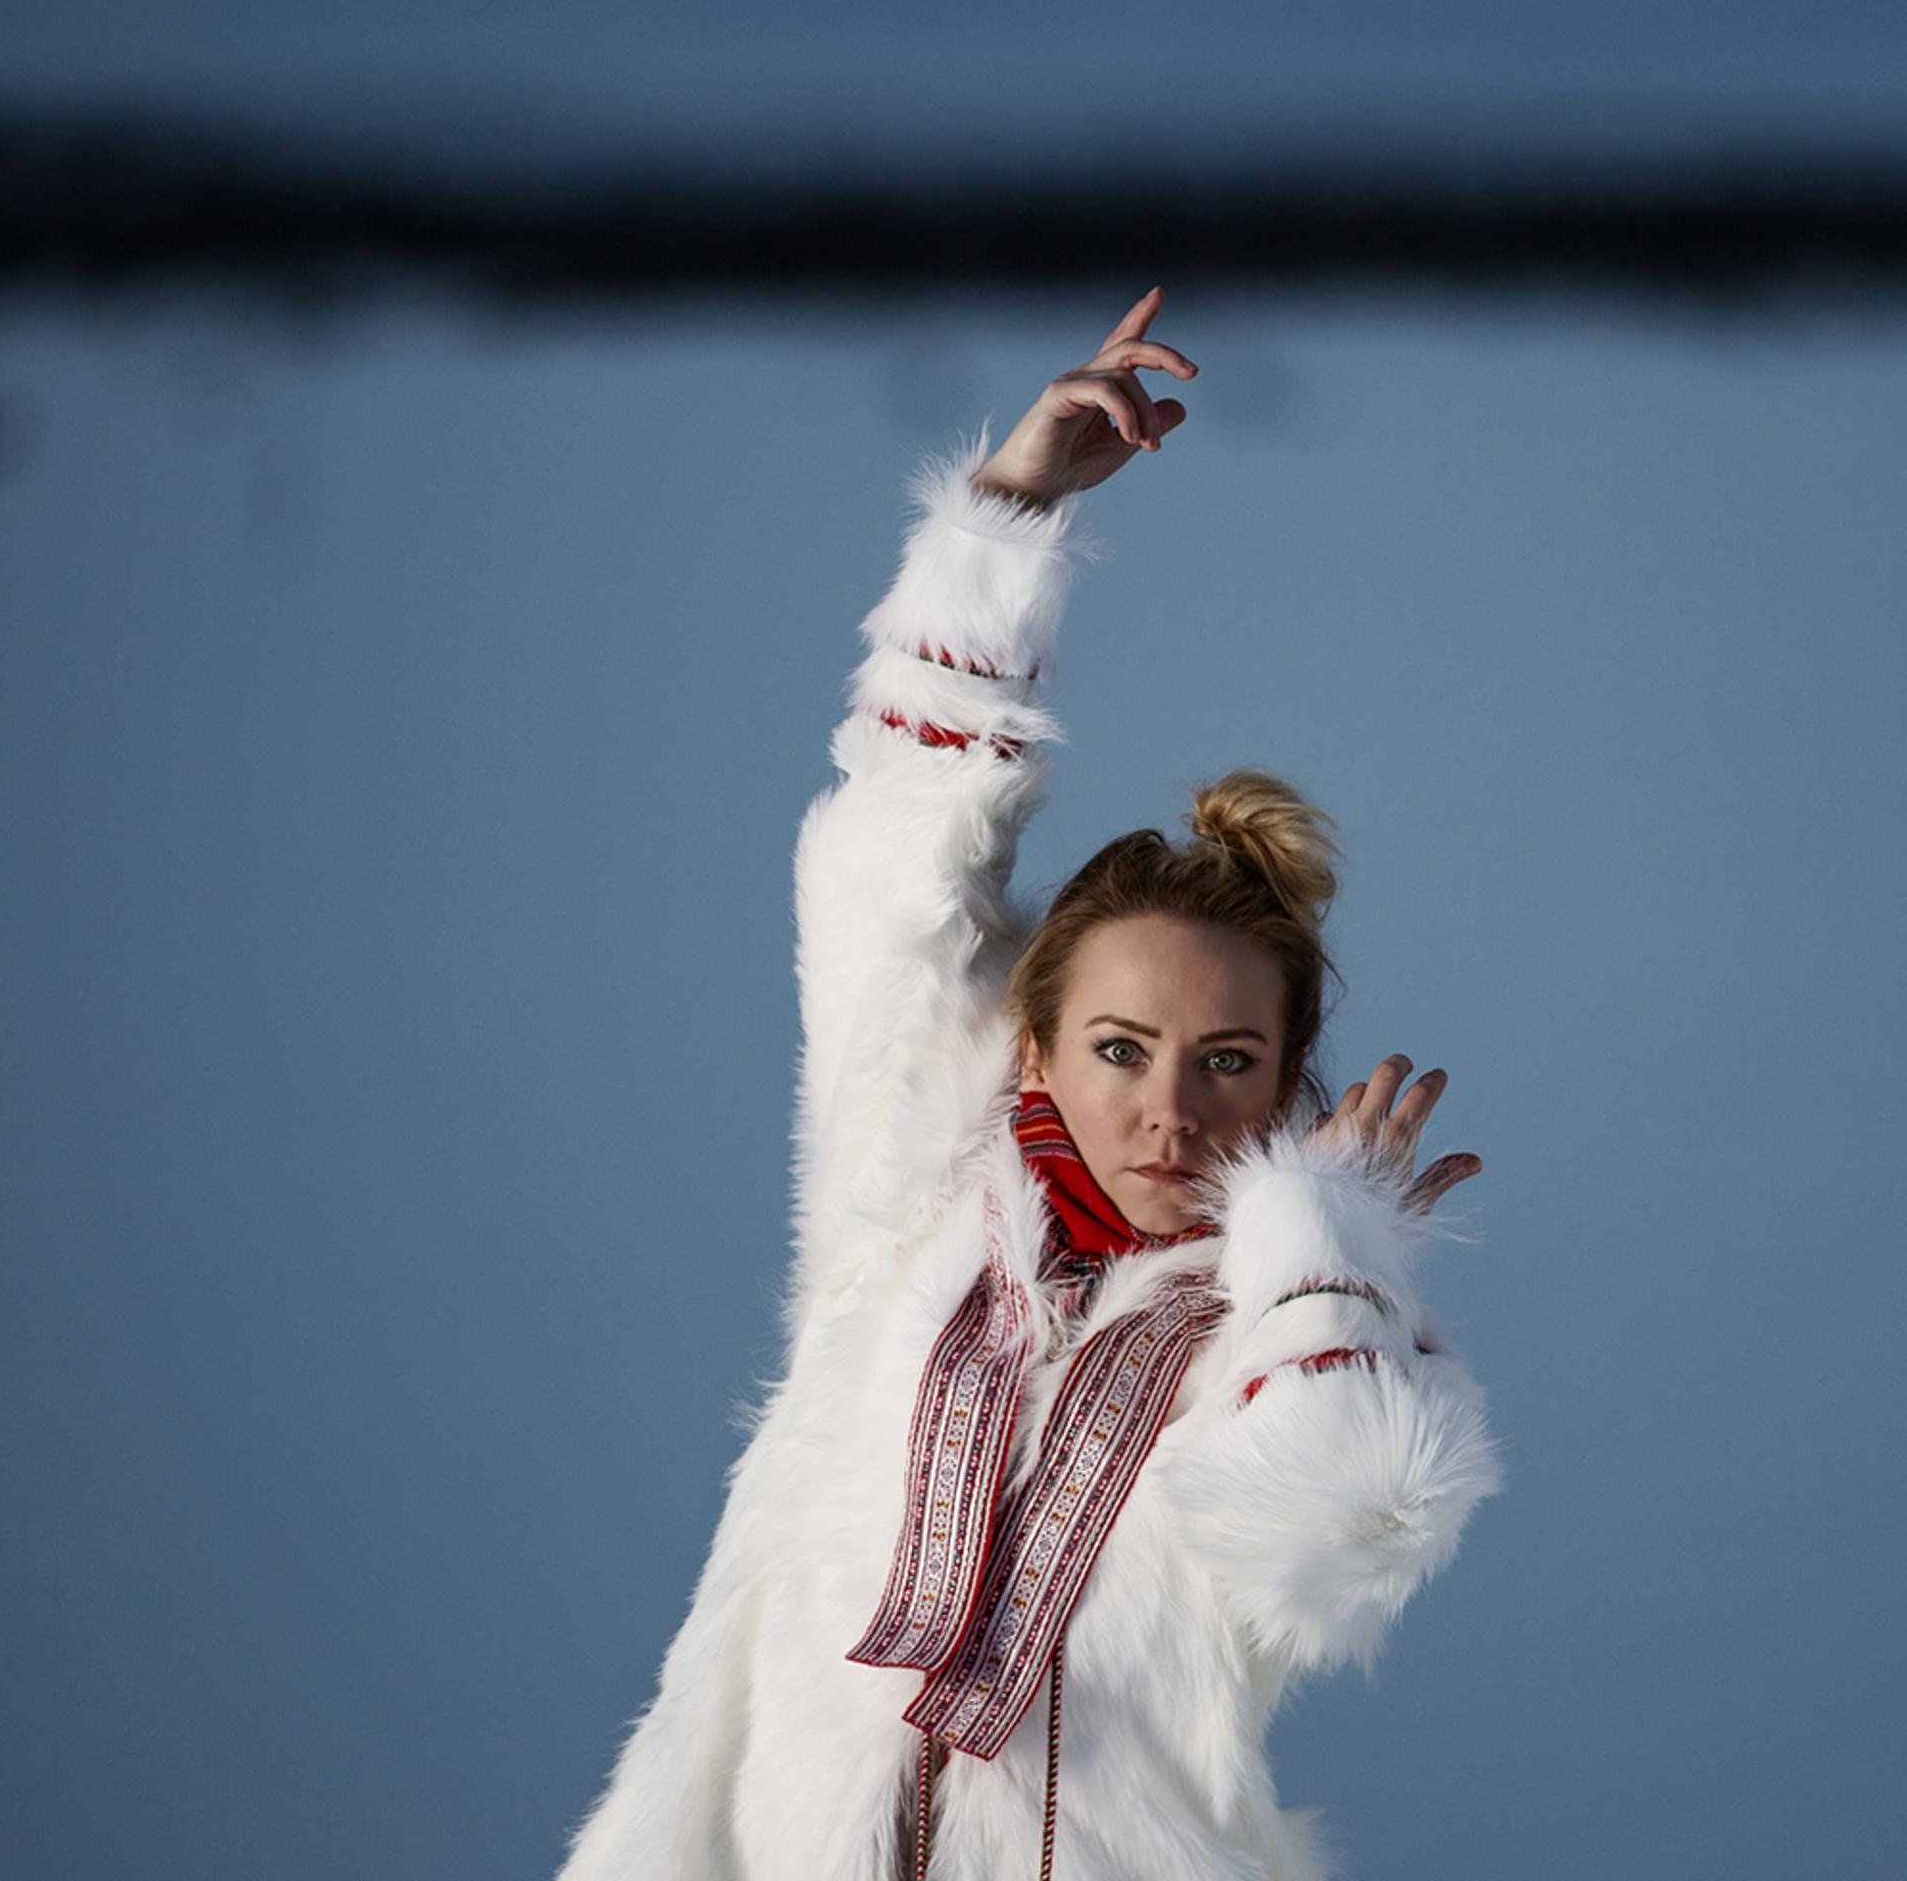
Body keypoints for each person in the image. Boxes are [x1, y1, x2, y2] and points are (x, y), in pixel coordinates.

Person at [555, 288, 1502, 1881]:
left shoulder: (1285, 1332)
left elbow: (1360, 1527)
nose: (1168, 1110)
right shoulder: (919, 1188)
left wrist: (1328, 1234)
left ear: (1283, 1088)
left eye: (1228, 1065)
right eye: (1121, 1050)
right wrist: (1008, 520)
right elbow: (888, 856)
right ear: (1036, 1047)